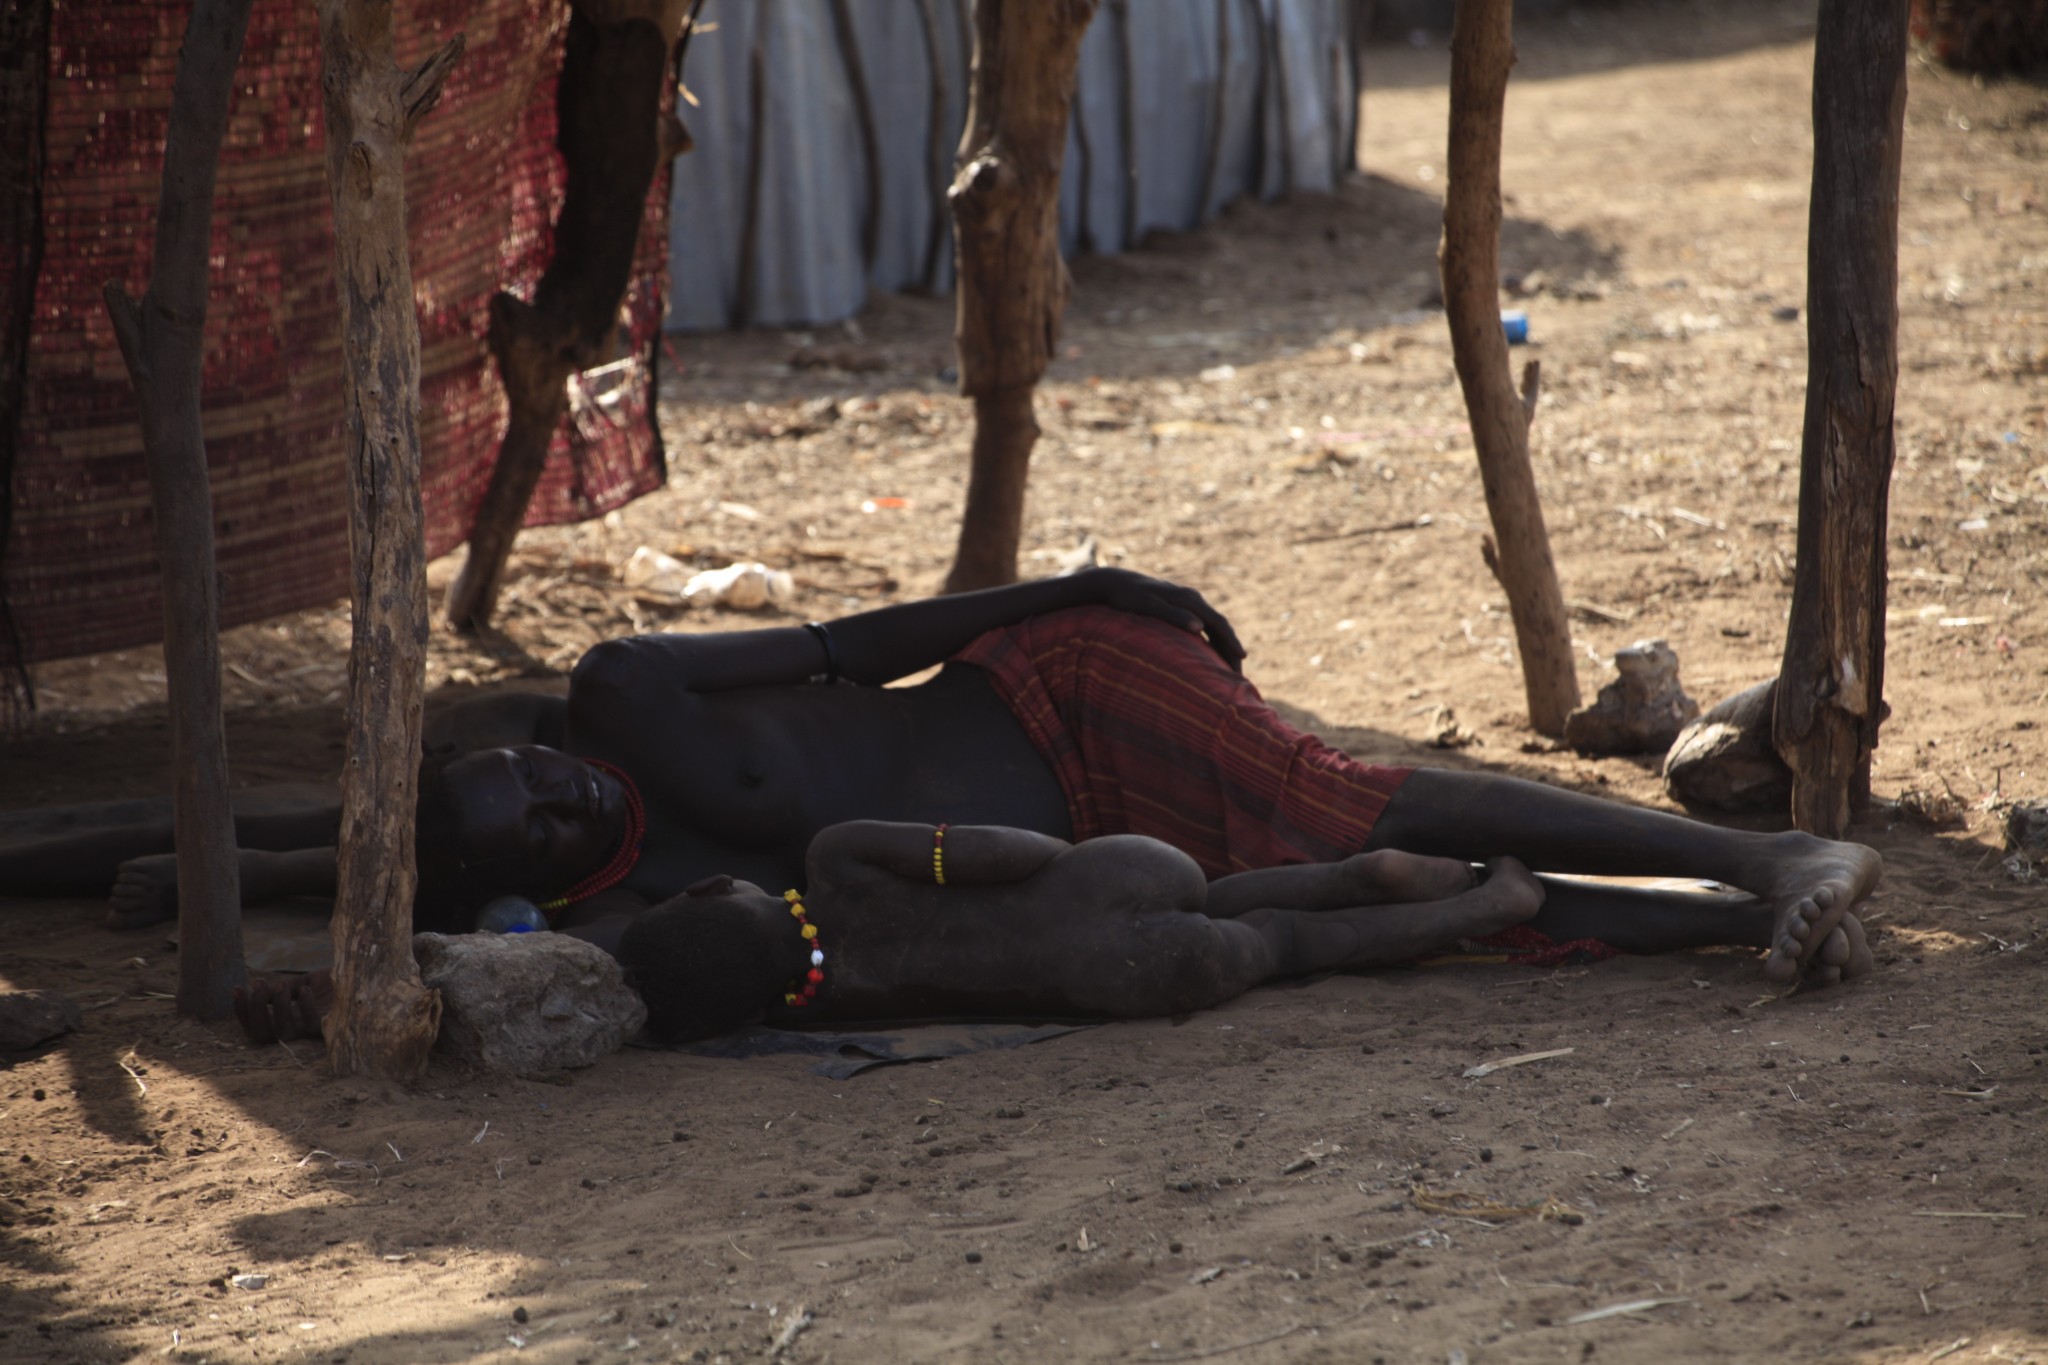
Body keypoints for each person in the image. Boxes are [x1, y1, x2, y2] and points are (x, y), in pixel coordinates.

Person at [0, 568, 1879, 987]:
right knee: (1412, 913)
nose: (569, 805)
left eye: (543, 785)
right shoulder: (625, 912)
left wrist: (1084, 587)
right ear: (536, 878)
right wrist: (124, 868)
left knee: (1365, 803)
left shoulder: (627, 694)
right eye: (546, 836)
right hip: (1084, 849)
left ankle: (1776, 851)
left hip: (1061, 699)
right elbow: (330, 861)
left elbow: (873, 642)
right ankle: (1718, 915)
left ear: (526, 755)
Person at [241, 821, 1793, 1043]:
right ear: (713, 897)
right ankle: (1404, 871)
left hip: (1113, 976)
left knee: (1284, 956)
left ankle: (1472, 911)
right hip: (1115, 884)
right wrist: (1068, 858)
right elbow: (997, 850)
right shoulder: (840, 861)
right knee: (1268, 901)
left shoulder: (803, 1002)